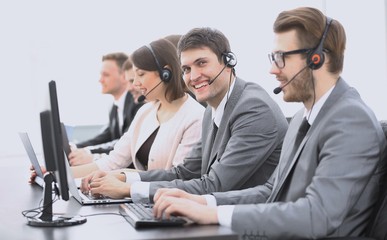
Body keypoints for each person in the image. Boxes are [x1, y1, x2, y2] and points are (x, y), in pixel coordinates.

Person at [151, 7, 387, 239]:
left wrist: (215, 214)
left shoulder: (351, 120)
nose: (272, 69)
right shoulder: (301, 119)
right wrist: (202, 202)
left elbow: (317, 216)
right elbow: (271, 192)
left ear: (317, 59)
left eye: (281, 58)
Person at [80, 27, 288, 202]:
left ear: (228, 62)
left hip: (249, 225)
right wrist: (125, 177)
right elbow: (183, 173)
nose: (194, 76)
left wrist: (129, 190)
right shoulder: (213, 110)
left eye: (202, 63)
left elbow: (215, 185)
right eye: (186, 69)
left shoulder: (253, 109)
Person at [65, 38, 205, 178]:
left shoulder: (195, 117)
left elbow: (178, 176)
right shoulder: (145, 112)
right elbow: (113, 162)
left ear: (165, 73)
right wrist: (61, 175)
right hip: (139, 195)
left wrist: (124, 179)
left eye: (141, 74)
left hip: (164, 197)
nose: (136, 84)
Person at [68, 53, 139, 166]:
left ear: (124, 76)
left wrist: (88, 152)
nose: (100, 80)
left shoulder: (137, 102)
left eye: (106, 75)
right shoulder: (114, 107)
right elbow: (105, 136)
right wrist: (76, 147)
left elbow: (125, 144)